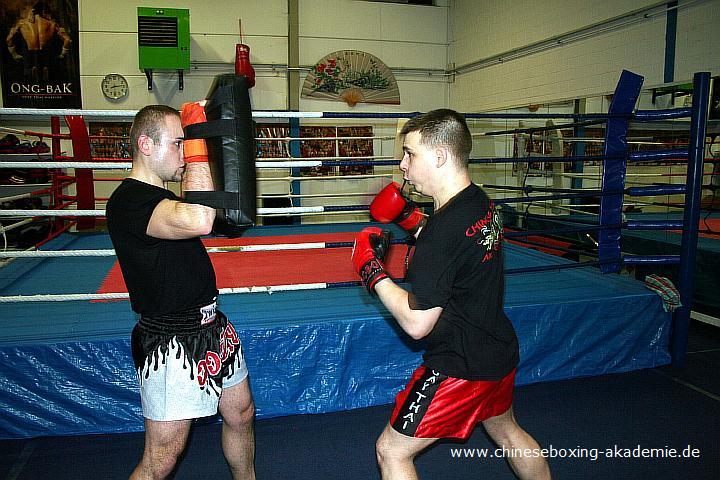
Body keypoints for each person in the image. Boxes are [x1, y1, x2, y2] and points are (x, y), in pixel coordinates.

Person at [351, 109, 551, 479]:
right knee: (508, 432)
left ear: (440, 156)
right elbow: (455, 241)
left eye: (410, 153)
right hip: (496, 348)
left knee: (391, 452)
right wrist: (408, 217)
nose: (402, 163)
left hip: (460, 366)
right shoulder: (479, 202)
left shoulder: (442, 236)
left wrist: (371, 270)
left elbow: (416, 324)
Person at [106, 104, 255, 480]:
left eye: (185, 143)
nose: (183, 153)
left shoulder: (165, 198)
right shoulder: (128, 202)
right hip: (171, 340)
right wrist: (199, 142)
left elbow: (210, 217)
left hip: (213, 326)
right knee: (163, 456)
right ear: (145, 144)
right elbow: (202, 219)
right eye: (177, 144)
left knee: (240, 414)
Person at [5, 1, 72, 82]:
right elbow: (67, 40)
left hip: (29, 56)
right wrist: (62, 54)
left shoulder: (22, 23)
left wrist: (14, 54)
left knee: (30, 84)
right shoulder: (52, 24)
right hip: (46, 56)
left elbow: (9, 39)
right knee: (48, 83)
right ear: (44, 12)